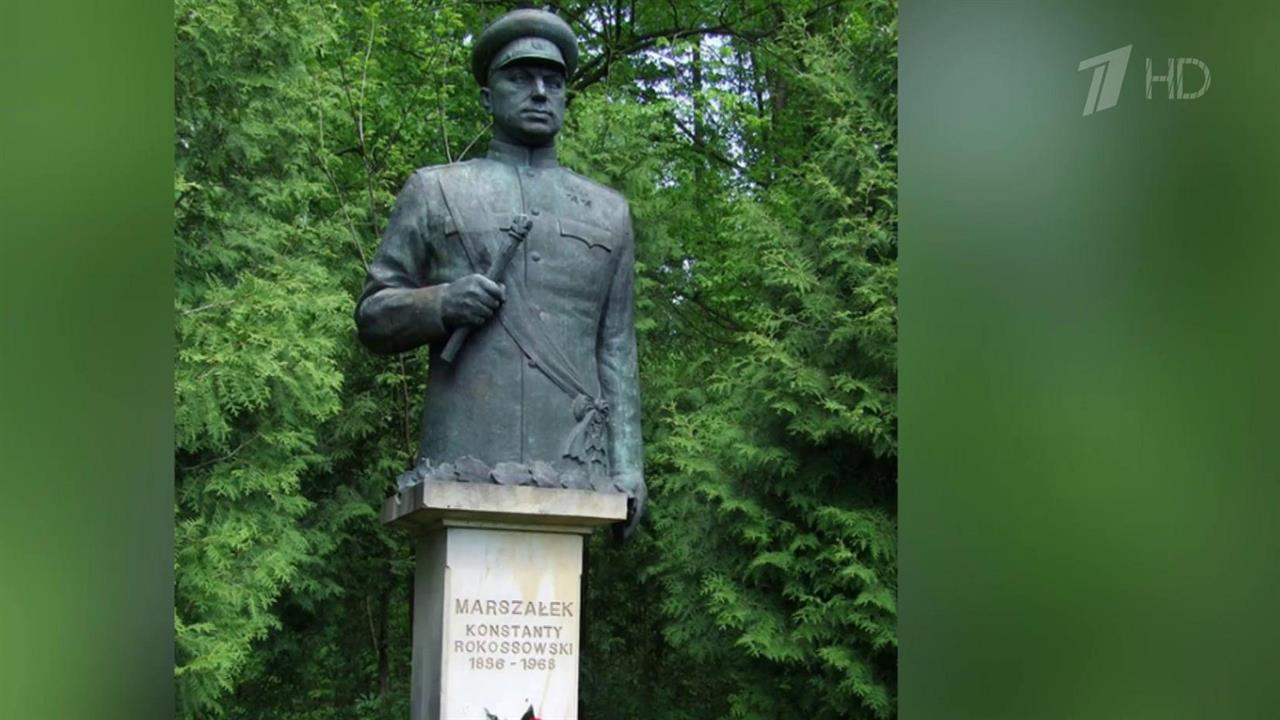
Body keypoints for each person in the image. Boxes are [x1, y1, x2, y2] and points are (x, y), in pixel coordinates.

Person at [355, 8, 646, 537]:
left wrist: (628, 465)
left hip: (572, 458)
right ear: (488, 98)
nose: (539, 92)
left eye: (553, 82)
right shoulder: (435, 190)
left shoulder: (609, 212)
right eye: (520, 78)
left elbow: (616, 345)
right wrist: (442, 303)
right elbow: (373, 316)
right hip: (464, 452)